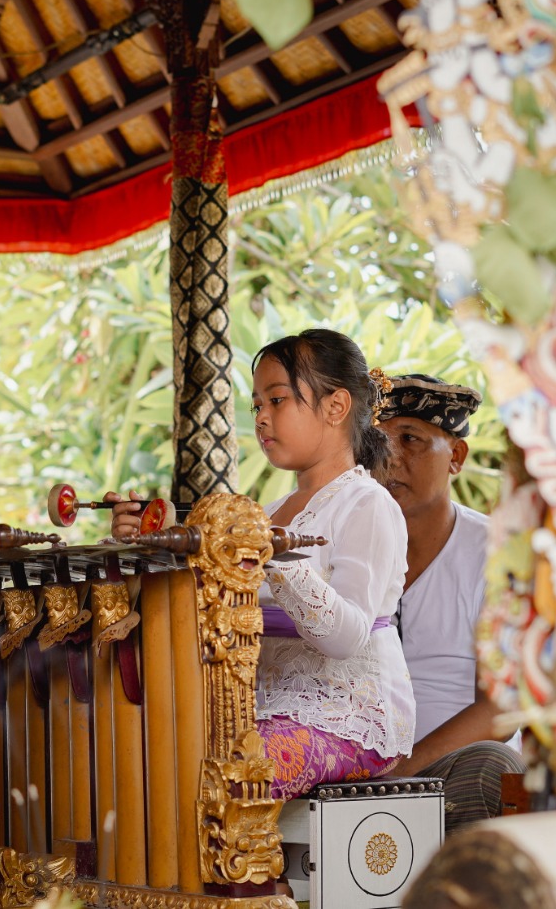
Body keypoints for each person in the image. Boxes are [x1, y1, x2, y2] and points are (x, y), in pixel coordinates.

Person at [111, 329, 414, 798]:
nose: (262, 418)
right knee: (135, 748)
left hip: (349, 719)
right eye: (257, 406)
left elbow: (347, 637)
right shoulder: (268, 513)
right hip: (262, 710)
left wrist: (275, 557)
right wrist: (145, 546)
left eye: (277, 400)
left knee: (235, 771)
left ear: (336, 406)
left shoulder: (366, 504)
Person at [376, 373, 525, 833]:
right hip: (352, 769)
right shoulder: (342, 546)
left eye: (410, 439)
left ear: (456, 456)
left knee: (495, 768)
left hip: (452, 777)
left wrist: (398, 775)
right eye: (377, 441)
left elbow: (501, 707)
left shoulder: (497, 553)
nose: (390, 457)